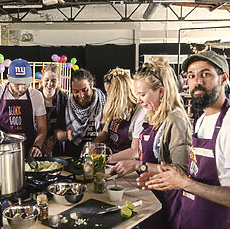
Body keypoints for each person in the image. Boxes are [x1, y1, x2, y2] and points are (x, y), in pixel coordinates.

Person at [139, 51, 230, 229]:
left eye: (206, 74)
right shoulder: (203, 120)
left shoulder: (228, 123)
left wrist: (186, 183)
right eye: (191, 75)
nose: (197, 81)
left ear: (224, 79)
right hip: (190, 219)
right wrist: (167, 177)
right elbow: (195, 174)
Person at [110, 57, 192, 229]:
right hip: (150, 198)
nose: (138, 100)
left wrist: (139, 166)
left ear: (161, 91)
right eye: (137, 94)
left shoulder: (175, 120)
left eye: (142, 94)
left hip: (167, 204)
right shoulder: (151, 115)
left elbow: (181, 172)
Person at [0, 59, 47, 157]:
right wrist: (0, 135)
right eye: (17, 83)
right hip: (1, 148)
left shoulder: (36, 95)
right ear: (8, 78)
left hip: (29, 149)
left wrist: (37, 145)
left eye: (25, 83)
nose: (21, 88)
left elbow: (42, 127)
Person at [92, 68, 146, 160]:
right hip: (113, 161)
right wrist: (94, 144)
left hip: (129, 165)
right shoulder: (115, 108)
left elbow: (135, 151)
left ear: (118, 94)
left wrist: (105, 159)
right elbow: (105, 132)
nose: (107, 96)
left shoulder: (140, 112)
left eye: (109, 93)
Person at [64, 68, 106, 157]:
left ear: (92, 84)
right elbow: (57, 132)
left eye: (84, 90)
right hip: (72, 157)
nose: (81, 95)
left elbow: (107, 131)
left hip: (97, 156)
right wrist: (66, 134)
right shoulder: (67, 103)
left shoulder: (104, 101)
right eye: (76, 91)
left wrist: (92, 145)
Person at [38, 64, 68, 156]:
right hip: (38, 143)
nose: (50, 84)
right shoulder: (34, 96)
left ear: (58, 81)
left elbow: (66, 123)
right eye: (47, 80)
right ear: (42, 79)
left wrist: (53, 140)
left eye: (53, 80)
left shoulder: (64, 98)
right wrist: (40, 143)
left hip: (57, 144)